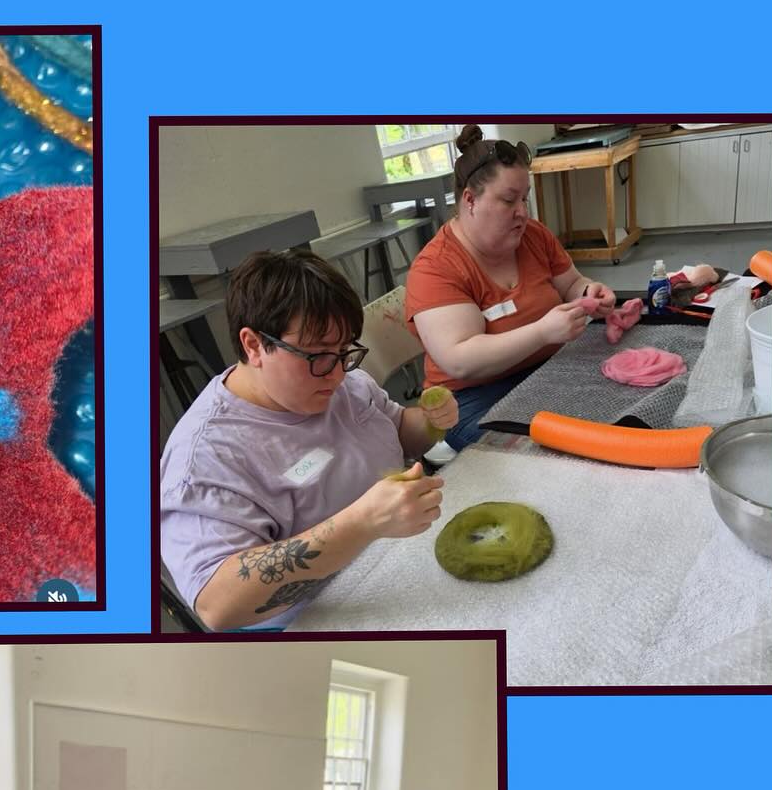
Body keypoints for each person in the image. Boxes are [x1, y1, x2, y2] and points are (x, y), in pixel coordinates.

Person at [160, 249, 453, 630]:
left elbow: (398, 432)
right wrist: (362, 523)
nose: (335, 374)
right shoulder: (205, 458)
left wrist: (431, 424)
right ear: (253, 345)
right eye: (316, 356)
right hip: (325, 618)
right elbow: (217, 605)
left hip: (403, 563)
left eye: (343, 350)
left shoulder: (346, 382)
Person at [405, 124, 618, 462]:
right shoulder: (437, 268)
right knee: (555, 455)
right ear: (470, 200)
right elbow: (460, 360)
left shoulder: (533, 235)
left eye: (525, 198)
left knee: (610, 414)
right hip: (472, 399)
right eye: (508, 200)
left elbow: (572, 285)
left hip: (546, 369)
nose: (523, 212)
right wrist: (542, 332)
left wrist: (591, 291)